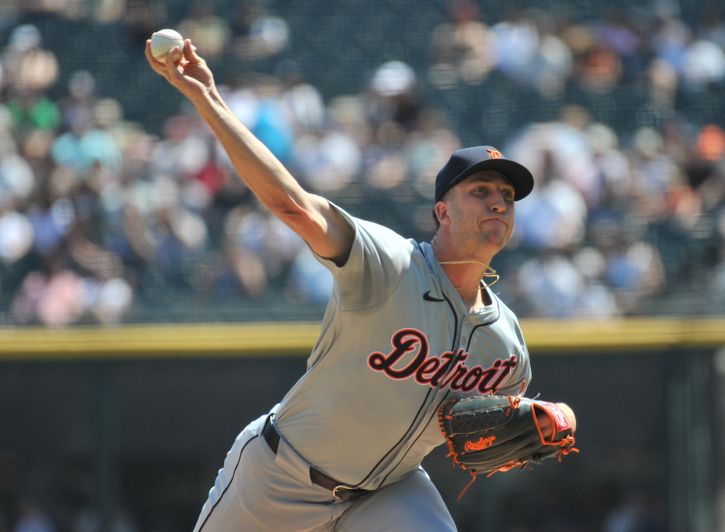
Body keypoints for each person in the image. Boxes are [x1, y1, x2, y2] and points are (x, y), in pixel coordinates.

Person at [145, 38, 577, 532]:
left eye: (507, 196)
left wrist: (557, 418)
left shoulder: (507, 344)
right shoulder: (388, 264)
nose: (498, 203)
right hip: (279, 477)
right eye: (480, 192)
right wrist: (208, 98)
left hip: (388, 492)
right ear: (442, 212)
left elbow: (504, 436)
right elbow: (293, 204)